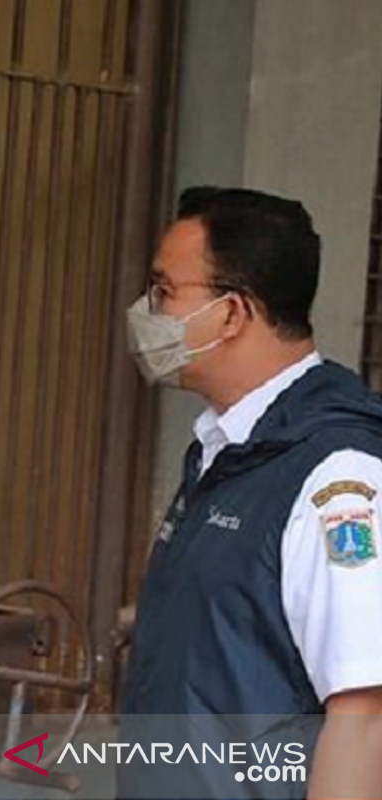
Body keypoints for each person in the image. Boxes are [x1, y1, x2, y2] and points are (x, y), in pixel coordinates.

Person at [118, 186, 382, 800]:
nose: (147, 310)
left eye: (165, 291)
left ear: (233, 314)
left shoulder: (338, 479)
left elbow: (365, 719)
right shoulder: (228, 452)